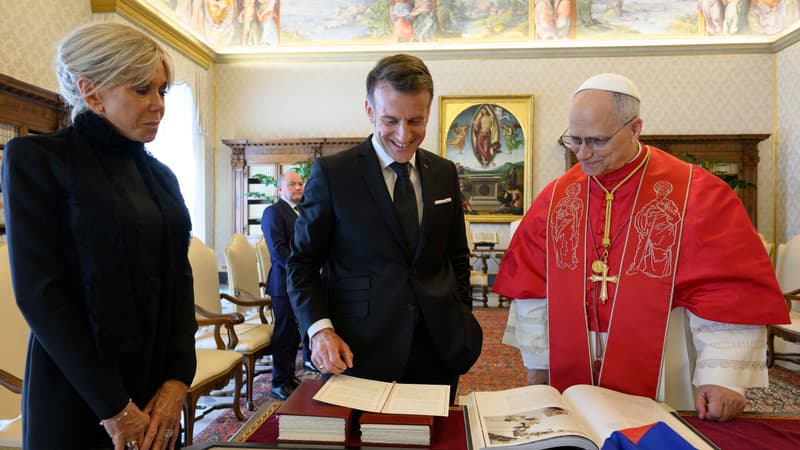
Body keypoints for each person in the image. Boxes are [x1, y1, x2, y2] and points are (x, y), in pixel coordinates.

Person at [494, 73, 789, 422]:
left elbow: (726, 289)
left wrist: (723, 378)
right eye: (575, 139)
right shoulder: (557, 198)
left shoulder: (695, 193)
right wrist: (539, 364)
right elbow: (533, 289)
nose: (583, 154)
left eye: (597, 141)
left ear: (634, 129)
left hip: (664, 361)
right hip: (572, 363)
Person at [2, 23, 197, 449]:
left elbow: (180, 281)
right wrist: (114, 407)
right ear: (91, 92)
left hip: (154, 388)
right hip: (78, 391)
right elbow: (40, 293)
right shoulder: (37, 159)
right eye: (142, 90)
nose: (158, 105)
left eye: (163, 91)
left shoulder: (162, 177)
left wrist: (177, 380)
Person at [287, 54, 482, 404]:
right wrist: (319, 331)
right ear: (369, 110)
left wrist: (460, 315)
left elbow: (456, 256)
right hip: (359, 350)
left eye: (416, 121)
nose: (404, 135)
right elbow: (301, 265)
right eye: (390, 120)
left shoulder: (444, 173)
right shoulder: (333, 175)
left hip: (437, 350)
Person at [259, 171, 305, 400]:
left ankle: (289, 376)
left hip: (299, 283)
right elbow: (278, 249)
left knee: (294, 334)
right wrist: (301, 270)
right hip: (283, 283)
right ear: (280, 189)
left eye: (300, 184)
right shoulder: (273, 212)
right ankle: (278, 382)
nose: (298, 188)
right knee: (284, 333)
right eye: (292, 184)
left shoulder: (301, 212)